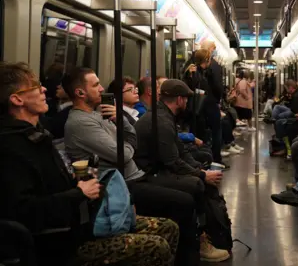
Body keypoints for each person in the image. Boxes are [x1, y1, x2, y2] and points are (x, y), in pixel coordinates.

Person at [0, 62, 178, 266]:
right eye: (35, 87)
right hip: (60, 241)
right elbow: (24, 210)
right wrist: (79, 193)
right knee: (157, 246)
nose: (44, 89)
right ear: (17, 99)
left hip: (81, 219)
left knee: (168, 227)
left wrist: (114, 200)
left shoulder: (39, 135)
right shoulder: (12, 148)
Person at [62, 67, 199, 266]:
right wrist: (126, 144)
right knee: (184, 201)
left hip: (133, 175)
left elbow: (131, 137)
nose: (102, 89)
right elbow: (124, 155)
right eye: (95, 85)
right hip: (121, 184)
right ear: (80, 93)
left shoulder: (99, 114)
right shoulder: (81, 123)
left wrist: (119, 120)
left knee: (190, 192)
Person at [134, 79, 230, 262]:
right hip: (146, 175)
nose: (187, 102)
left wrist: (198, 168)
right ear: (179, 100)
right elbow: (172, 161)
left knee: (199, 178)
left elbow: (180, 150)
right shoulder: (161, 121)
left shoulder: (165, 116)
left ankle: (207, 235)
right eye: (185, 99)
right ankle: (197, 242)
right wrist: (201, 175)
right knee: (195, 185)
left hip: (157, 169)